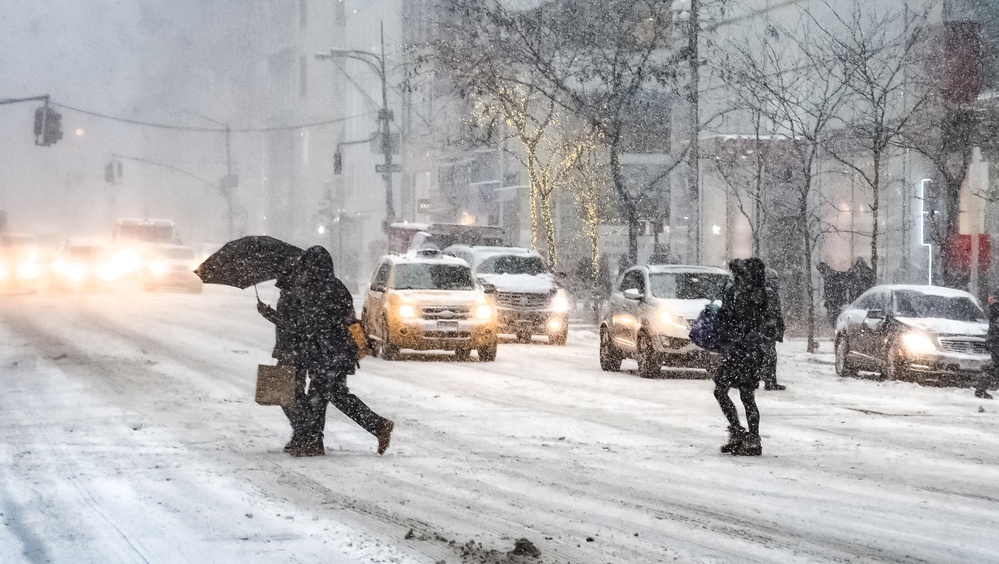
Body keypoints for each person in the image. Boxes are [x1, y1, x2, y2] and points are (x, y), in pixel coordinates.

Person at [278, 246, 394, 457]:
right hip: (337, 354)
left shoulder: (318, 290)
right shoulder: (335, 287)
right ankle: (378, 426)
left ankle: (313, 441)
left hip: (328, 354)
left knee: (319, 396)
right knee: (332, 396)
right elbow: (347, 320)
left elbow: (309, 324)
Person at [713, 257, 772, 456]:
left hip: (745, 350)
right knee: (732, 392)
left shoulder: (753, 295)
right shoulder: (751, 293)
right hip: (744, 350)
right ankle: (742, 433)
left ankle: (749, 437)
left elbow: (735, 317)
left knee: (740, 394)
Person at [257, 266, 310, 451]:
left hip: (294, 351)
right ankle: (303, 432)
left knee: (288, 395)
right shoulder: (291, 293)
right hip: (293, 351)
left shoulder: (294, 295)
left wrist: (269, 314)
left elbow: (293, 325)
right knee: (292, 394)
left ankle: (304, 432)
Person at [760, 267, 786, 391]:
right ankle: (769, 381)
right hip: (767, 329)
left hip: (765, 329)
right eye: (774, 280)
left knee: (768, 355)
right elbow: (774, 313)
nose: (776, 283)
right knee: (769, 355)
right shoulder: (768, 293)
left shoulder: (765, 292)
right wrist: (776, 327)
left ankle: (769, 380)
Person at [980, 292, 999, 400]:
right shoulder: (996, 309)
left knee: (996, 366)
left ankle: (981, 387)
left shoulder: (995, 309)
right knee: (996, 367)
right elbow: (995, 327)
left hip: (994, 341)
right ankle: (981, 387)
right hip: (996, 342)